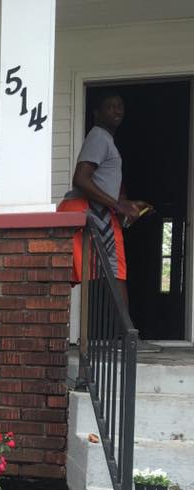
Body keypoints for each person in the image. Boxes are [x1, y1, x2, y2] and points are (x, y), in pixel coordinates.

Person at [58, 93, 157, 351]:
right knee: (114, 274)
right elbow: (80, 179)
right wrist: (118, 205)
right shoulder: (99, 137)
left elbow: (102, 184)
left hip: (97, 211)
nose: (116, 110)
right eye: (109, 106)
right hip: (92, 212)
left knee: (104, 273)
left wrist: (128, 204)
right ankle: (126, 338)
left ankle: (121, 336)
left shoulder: (105, 140)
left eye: (120, 105)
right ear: (96, 113)